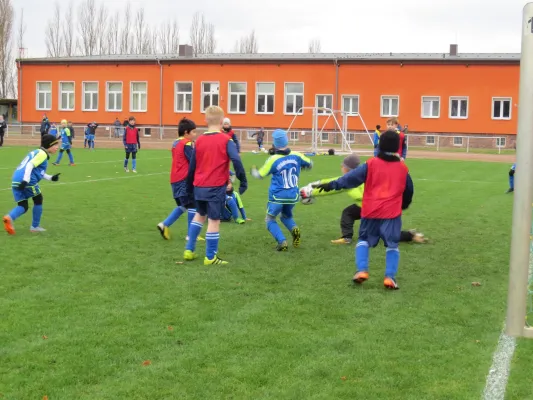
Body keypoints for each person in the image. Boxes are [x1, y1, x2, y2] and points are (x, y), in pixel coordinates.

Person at [313, 130, 414, 290]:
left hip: (370, 211)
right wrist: (405, 204)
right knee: (392, 244)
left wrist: (330, 185)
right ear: (397, 147)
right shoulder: (403, 168)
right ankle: (389, 277)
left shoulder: (371, 164)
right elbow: (409, 189)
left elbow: (349, 179)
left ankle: (362, 271)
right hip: (391, 213)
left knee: (364, 240)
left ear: (380, 145)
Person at [300, 153, 427, 244]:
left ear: (346, 168)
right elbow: (332, 181)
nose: (341, 167)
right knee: (384, 233)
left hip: (370, 207)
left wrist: (311, 191)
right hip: (379, 207)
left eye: (342, 166)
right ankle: (411, 236)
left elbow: (332, 186)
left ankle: (346, 238)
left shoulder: (351, 180)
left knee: (348, 213)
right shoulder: (362, 175)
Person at [184, 106, 247, 265]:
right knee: (214, 221)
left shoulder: (198, 141)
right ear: (221, 122)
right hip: (215, 187)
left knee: (199, 216)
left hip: (199, 186)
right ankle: (210, 257)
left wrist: (189, 187)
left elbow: (192, 166)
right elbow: (237, 161)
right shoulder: (226, 140)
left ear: (205, 121)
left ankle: (189, 250)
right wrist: (243, 180)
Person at [251, 129, 313, 251]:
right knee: (286, 217)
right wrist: (303, 166)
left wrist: (254, 171)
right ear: (286, 141)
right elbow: (310, 163)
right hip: (292, 195)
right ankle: (294, 228)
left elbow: (260, 175)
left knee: (270, 220)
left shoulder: (273, 159)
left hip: (277, 196)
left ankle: (282, 242)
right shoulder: (297, 155)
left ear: (274, 143)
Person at [3, 134, 61, 235]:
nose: (57, 147)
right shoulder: (42, 154)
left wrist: (51, 178)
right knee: (38, 199)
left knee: (23, 205)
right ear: (49, 145)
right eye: (55, 145)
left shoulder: (36, 152)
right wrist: (25, 180)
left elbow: (38, 172)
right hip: (26, 180)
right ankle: (35, 226)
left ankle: (9, 217)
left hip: (16, 179)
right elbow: (30, 165)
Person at [157, 118, 201, 240]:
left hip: (174, 179)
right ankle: (191, 235)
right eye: (194, 132)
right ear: (186, 132)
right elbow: (193, 160)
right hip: (184, 179)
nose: (195, 135)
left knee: (183, 206)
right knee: (193, 205)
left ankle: (164, 224)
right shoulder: (186, 143)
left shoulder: (175, 143)